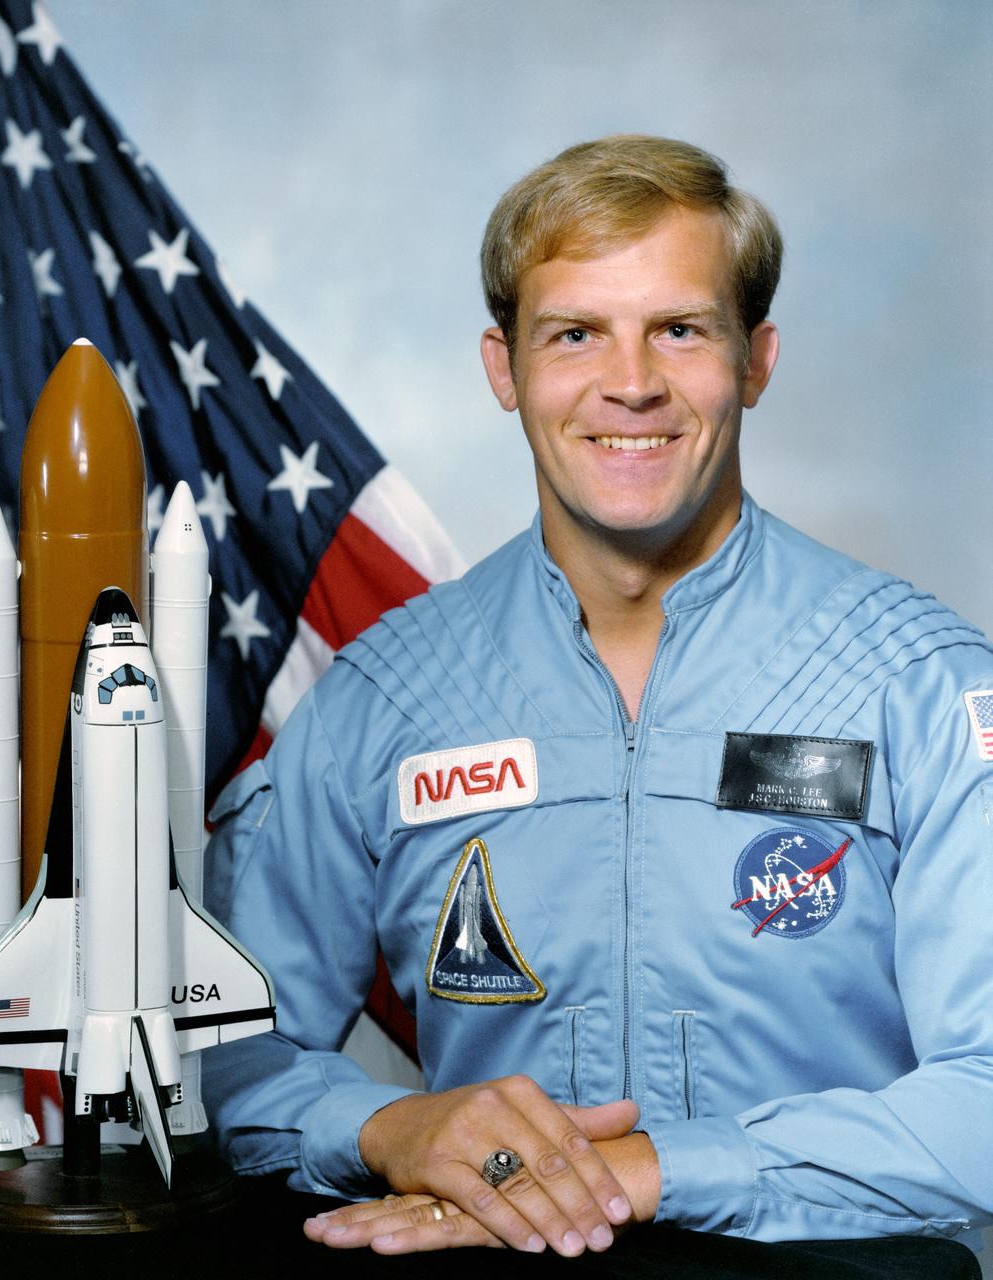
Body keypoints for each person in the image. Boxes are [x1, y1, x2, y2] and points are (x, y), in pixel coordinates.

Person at [202, 136, 992, 1272]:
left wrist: (652, 1169)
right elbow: (231, 1050)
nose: (632, 381)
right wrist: (389, 1125)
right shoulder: (385, 698)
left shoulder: (917, 682)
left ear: (756, 359)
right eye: (575, 333)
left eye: (681, 328)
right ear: (504, 367)